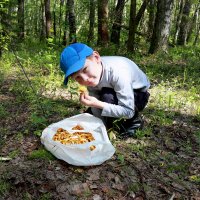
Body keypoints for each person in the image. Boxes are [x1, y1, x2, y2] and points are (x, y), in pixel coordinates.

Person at [60, 43, 150, 138]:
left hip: (137, 95)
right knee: (92, 116)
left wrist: (97, 104)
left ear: (96, 58)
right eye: (77, 77)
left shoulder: (118, 72)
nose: (85, 79)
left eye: (85, 70)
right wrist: (100, 127)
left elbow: (128, 111)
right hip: (111, 91)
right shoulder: (93, 74)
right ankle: (109, 121)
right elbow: (95, 98)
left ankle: (134, 122)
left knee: (107, 97)